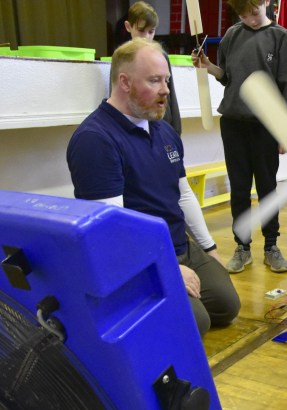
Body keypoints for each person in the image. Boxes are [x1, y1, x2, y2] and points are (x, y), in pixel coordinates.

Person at [67, 39, 241, 338]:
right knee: (197, 322)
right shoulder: (95, 140)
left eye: (167, 80)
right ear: (124, 82)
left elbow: (183, 194)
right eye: (154, 80)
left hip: (178, 243)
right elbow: (111, 231)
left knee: (226, 306)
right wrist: (168, 267)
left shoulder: (164, 130)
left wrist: (208, 247)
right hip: (137, 257)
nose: (165, 90)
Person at [192, 0, 287, 274]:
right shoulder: (232, 35)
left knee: (267, 188)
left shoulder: (280, 37)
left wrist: (286, 131)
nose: (249, 19)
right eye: (242, 14)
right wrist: (207, 66)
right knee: (239, 189)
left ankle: (271, 246)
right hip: (234, 124)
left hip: (265, 126)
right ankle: (242, 247)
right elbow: (226, 76)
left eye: (253, 12)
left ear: (265, 2)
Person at [123, 1, 182, 135]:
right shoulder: (122, 58)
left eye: (151, 31)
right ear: (128, 26)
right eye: (141, 30)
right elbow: (116, 96)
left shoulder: (162, 56)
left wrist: (176, 129)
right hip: (134, 126)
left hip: (162, 125)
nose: (145, 37)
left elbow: (170, 93)